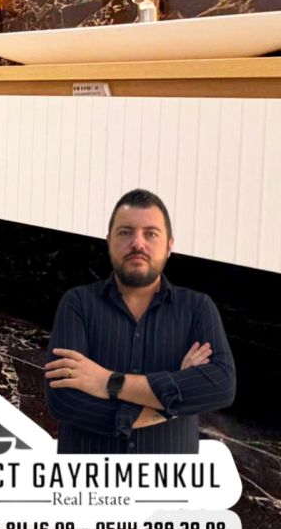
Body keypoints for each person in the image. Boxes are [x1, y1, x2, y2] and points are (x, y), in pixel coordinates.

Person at [43, 188, 236, 453]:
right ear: (109, 241)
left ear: (169, 245)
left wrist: (108, 381)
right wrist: (169, 406)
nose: (138, 243)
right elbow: (64, 400)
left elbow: (220, 386)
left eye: (151, 234)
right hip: (90, 477)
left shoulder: (197, 308)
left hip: (168, 477)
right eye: (125, 233)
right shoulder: (78, 303)